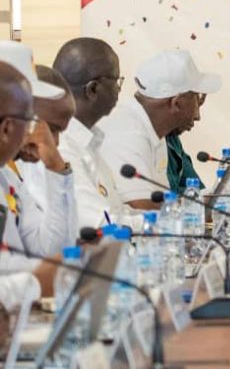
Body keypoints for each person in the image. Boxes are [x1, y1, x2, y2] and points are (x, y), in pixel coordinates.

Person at [100, 49, 220, 210]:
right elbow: (143, 208)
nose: (198, 115)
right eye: (197, 98)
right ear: (176, 102)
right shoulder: (129, 132)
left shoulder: (155, 131)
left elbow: (164, 202)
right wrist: (201, 208)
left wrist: (213, 205)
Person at [53, 37, 137, 229]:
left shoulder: (87, 142)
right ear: (93, 89)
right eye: (116, 81)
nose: (118, 89)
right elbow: (99, 224)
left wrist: (164, 219)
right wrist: (161, 225)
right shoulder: (63, 148)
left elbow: (117, 211)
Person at [0, 62, 59, 307]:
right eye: (29, 122)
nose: (31, 133)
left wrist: (58, 169)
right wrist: (35, 283)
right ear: (7, 128)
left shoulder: (6, 177)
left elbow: (46, 249)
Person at [6, 65, 78, 255]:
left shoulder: (8, 178)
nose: (55, 142)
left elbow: (52, 252)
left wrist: (57, 168)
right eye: (51, 129)